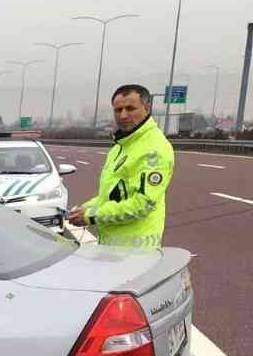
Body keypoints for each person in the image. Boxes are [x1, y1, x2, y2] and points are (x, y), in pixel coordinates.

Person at [67, 85, 173, 248]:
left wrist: (90, 216)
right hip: (113, 248)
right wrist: (85, 209)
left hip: (137, 252)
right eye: (118, 110)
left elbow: (141, 205)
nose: (123, 115)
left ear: (147, 108)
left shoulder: (154, 149)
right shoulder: (120, 146)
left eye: (130, 108)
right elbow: (112, 196)